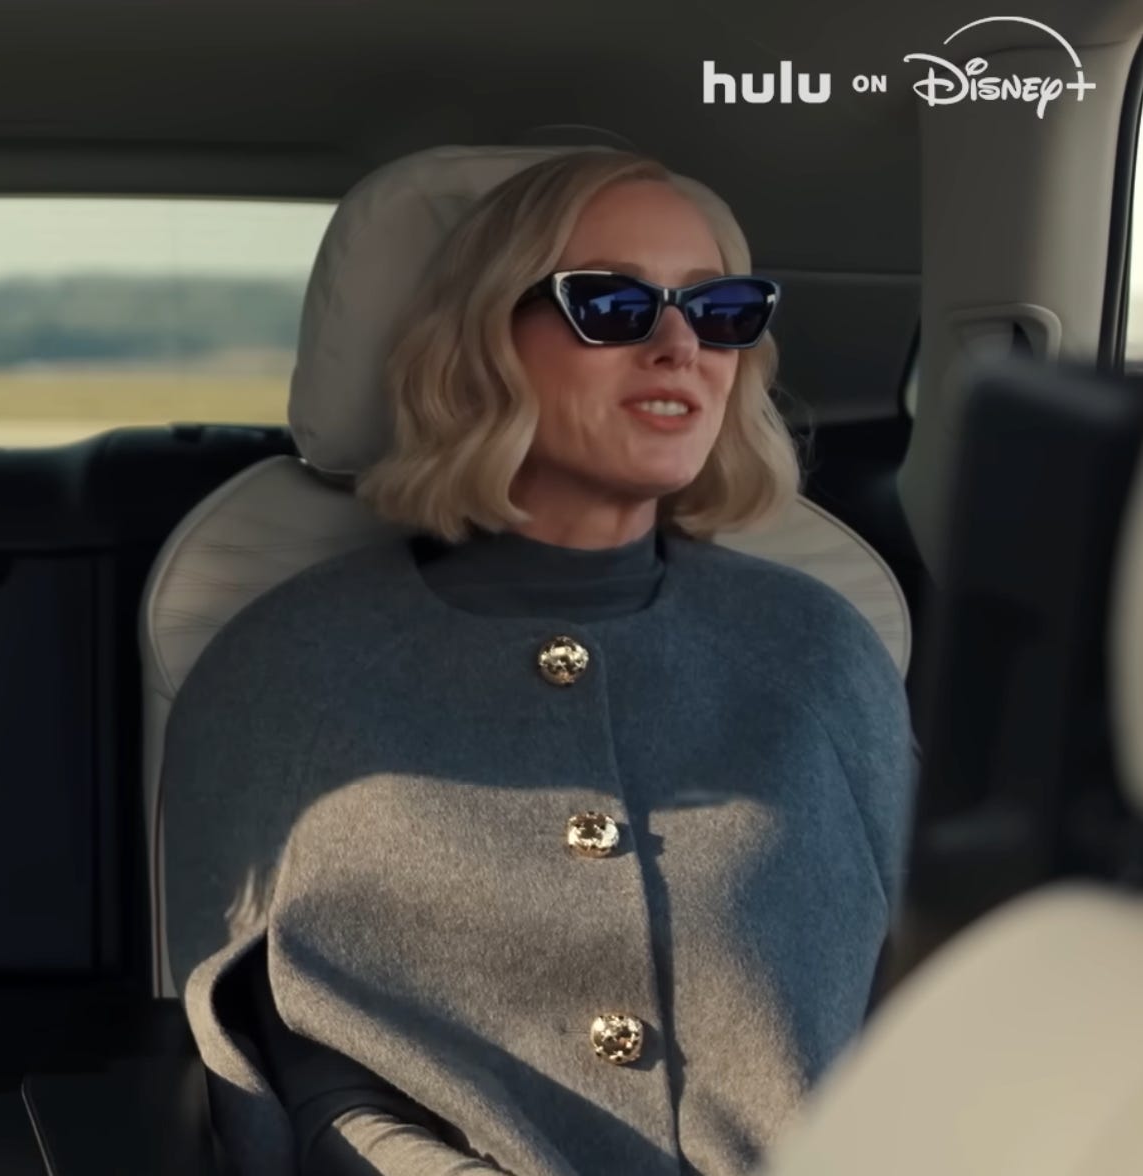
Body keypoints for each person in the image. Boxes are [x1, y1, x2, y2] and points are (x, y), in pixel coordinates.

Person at [162, 150, 915, 1176]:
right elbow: (287, 1074)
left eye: (721, 311)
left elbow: (933, 1016)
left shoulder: (819, 647)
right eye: (612, 306)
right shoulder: (287, 664)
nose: (680, 346)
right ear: (481, 345)